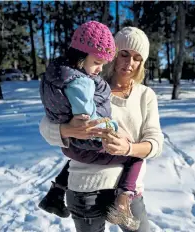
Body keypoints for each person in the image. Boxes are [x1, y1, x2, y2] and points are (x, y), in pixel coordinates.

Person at [40, 26, 164, 232]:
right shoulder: (85, 83)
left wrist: (129, 149)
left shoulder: (145, 95)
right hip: (85, 188)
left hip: (129, 194)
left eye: (137, 58)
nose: (129, 62)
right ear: (112, 54)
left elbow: (156, 143)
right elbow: (45, 126)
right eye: (124, 54)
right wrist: (68, 130)